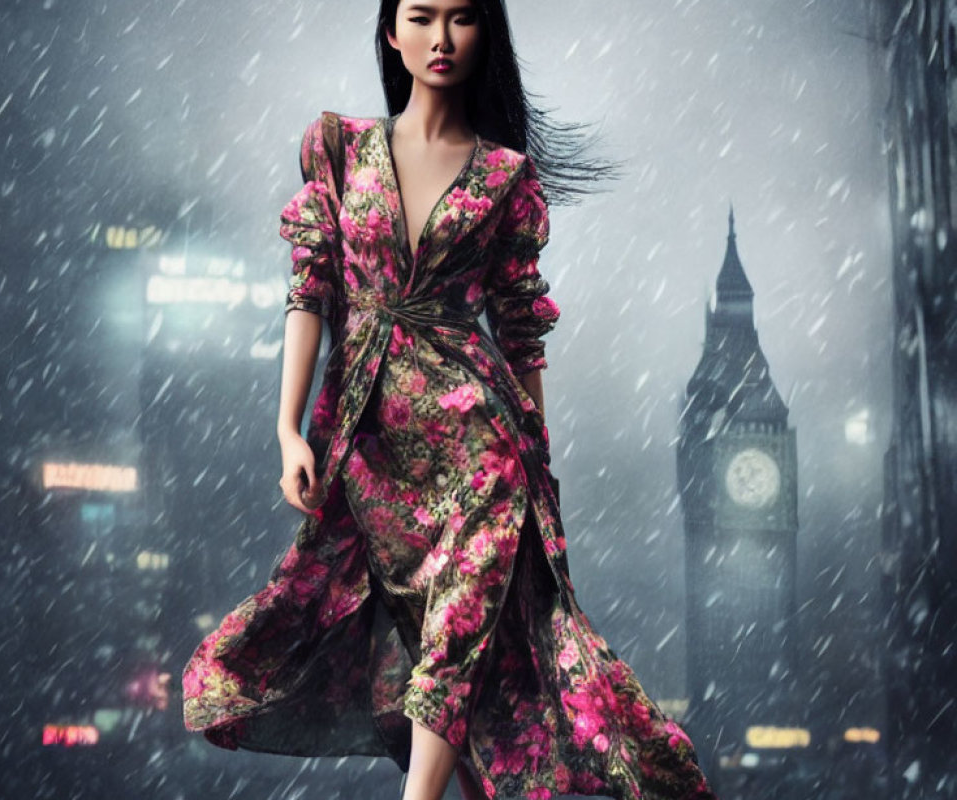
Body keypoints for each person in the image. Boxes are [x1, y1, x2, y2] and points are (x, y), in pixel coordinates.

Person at [182, 1, 720, 799]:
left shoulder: (505, 177)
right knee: (410, 624)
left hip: (480, 435)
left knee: (461, 625)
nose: (441, 38)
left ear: (483, 36)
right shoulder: (337, 147)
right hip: (365, 436)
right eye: (422, 16)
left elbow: (520, 331)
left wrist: (538, 462)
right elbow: (312, 289)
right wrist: (287, 429)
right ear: (391, 33)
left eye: (462, 18)